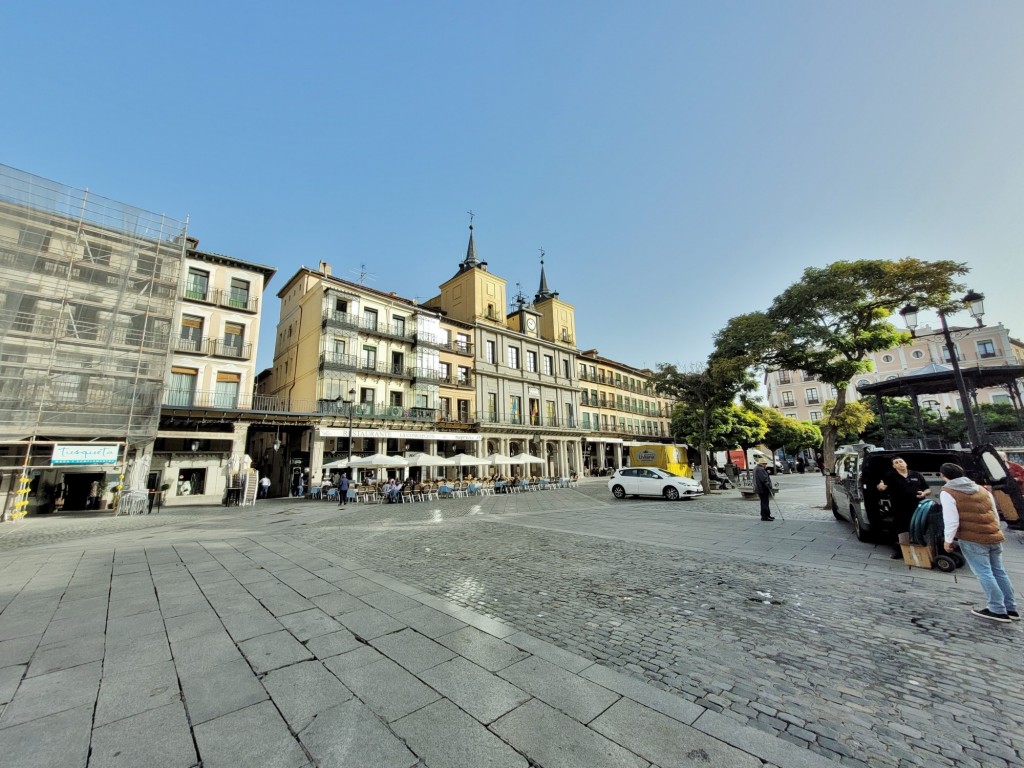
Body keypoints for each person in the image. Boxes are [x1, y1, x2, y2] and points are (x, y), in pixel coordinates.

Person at [939, 462, 1019, 623]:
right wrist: (996, 530)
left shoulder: (948, 492)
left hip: (972, 537)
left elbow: (951, 520)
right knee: (999, 571)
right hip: (993, 535)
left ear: (943, 475)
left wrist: (948, 540)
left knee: (984, 572)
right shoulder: (981, 489)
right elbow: (994, 512)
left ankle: (997, 609)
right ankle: (1011, 608)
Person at [876, 456, 930, 559]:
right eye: (896, 462)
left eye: (901, 461)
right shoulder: (890, 476)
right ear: (894, 466)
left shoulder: (916, 475)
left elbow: (927, 489)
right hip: (900, 507)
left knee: (918, 527)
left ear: (905, 463)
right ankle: (901, 550)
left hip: (918, 507)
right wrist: (880, 487)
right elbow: (881, 486)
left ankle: (921, 549)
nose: (899, 463)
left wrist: (924, 493)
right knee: (901, 529)